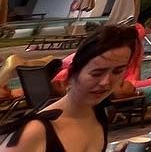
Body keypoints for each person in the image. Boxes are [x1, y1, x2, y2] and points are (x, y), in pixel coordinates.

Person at [8, 24, 135, 152]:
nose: (106, 82)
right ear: (72, 74)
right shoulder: (34, 132)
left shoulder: (99, 113)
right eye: (96, 73)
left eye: (117, 71)